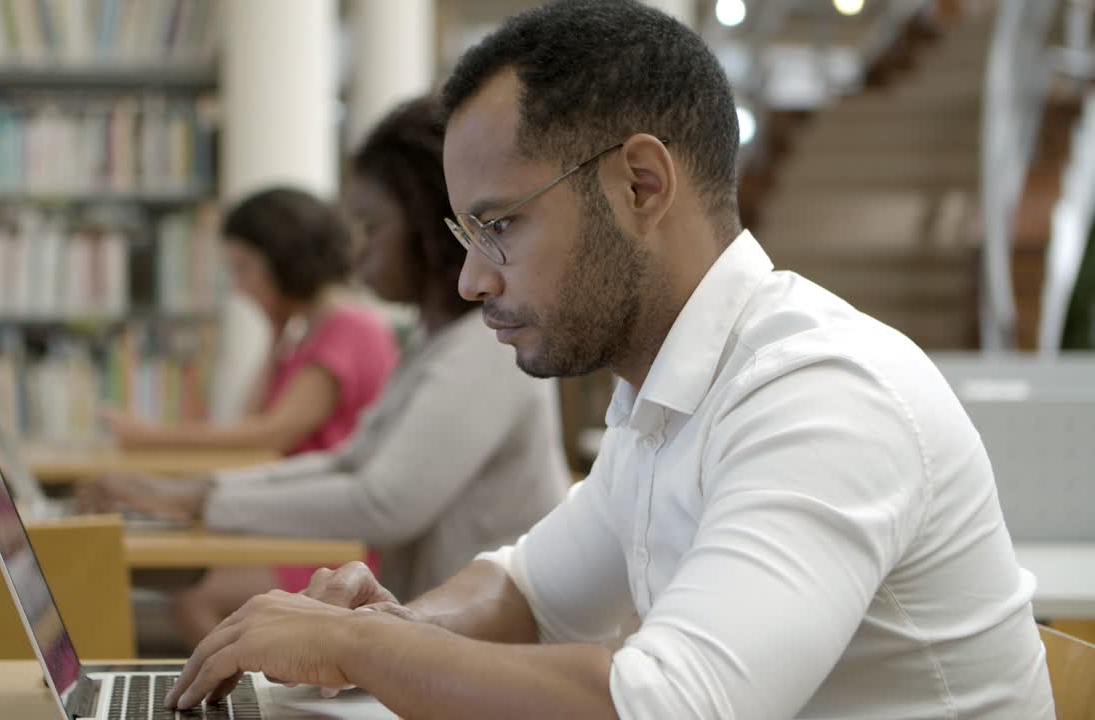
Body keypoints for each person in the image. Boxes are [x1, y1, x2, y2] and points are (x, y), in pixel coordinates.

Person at [162, 2, 1055, 718]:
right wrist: (392, 624)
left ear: (641, 184)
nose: (472, 278)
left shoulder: (822, 393)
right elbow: (527, 588)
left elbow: (676, 703)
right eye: (464, 234)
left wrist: (364, 649)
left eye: (499, 225)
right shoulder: (664, 390)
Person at [81, 97, 571, 649]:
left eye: (371, 227)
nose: (355, 253)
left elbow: (383, 503)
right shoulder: (432, 346)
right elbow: (347, 460)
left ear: (428, 227)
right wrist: (197, 491)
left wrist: (196, 501)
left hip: (489, 656)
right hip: (439, 635)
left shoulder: (488, 349)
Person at [101, 187, 398, 456]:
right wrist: (274, 336)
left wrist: (155, 438)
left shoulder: (350, 329)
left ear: (284, 259)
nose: (238, 287)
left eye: (243, 268)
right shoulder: (309, 331)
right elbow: (251, 419)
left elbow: (271, 435)